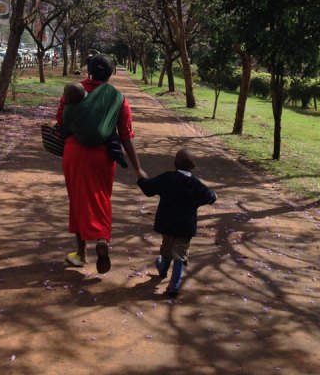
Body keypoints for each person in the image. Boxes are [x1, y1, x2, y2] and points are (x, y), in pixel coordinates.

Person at [56, 53, 148, 273]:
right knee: (101, 198)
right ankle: (102, 239)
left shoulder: (74, 91)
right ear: (111, 73)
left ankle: (80, 253)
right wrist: (137, 168)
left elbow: (61, 118)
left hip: (75, 153)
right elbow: (125, 135)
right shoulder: (118, 98)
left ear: (89, 71)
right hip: (102, 156)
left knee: (78, 199)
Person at [137, 148, 217, 297]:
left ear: (174, 164)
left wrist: (141, 179)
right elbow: (210, 196)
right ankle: (174, 285)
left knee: (166, 250)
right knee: (180, 253)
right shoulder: (196, 184)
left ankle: (162, 270)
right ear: (193, 167)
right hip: (185, 228)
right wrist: (213, 196)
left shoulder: (166, 178)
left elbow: (148, 189)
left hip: (167, 225)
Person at [62, 82, 128, 168]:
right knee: (112, 136)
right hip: (100, 135)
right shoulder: (90, 103)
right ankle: (118, 155)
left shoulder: (67, 110)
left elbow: (65, 122)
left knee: (65, 131)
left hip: (80, 137)